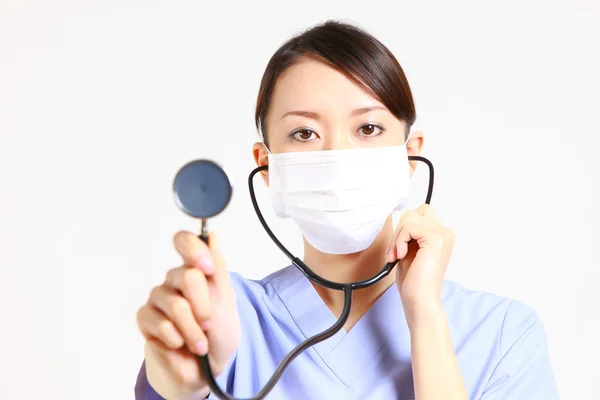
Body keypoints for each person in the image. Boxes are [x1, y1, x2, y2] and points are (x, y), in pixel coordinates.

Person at [134, 20, 559, 400]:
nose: (337, 154)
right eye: (305, 133)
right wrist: (179, 388)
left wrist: (426, 317)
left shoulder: (502, 334)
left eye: (368, 128)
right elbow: (176, 377)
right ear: (267, 166)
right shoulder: (222, 314)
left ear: (409, 156)